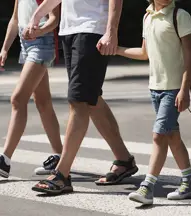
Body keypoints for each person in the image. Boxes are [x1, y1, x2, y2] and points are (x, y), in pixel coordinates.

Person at [26, 0, 139, 195]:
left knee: (79, 101)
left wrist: (111, 31)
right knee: (91, 99)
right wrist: (36, 17)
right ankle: (123, 160)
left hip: (92, 30)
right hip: (69, 30)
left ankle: (62, 174)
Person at [116, 0, 191, 205]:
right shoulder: (148, 16)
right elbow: (145, 53)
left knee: (159, 135)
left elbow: (190, 54)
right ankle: (189, 179)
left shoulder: (179, 15)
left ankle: (147, 186)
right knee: (171, 135)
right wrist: (116, 49)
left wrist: (184, 89)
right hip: (155, 88)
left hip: (173, 88)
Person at [0, 0, 63, 178]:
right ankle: (60, 158)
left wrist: (39, 31)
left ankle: (4, 160)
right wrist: (4, 49)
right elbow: (15, 20)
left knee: (18, 99)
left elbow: (55, 18)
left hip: (41, 43)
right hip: (26, 44)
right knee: (43, 102)